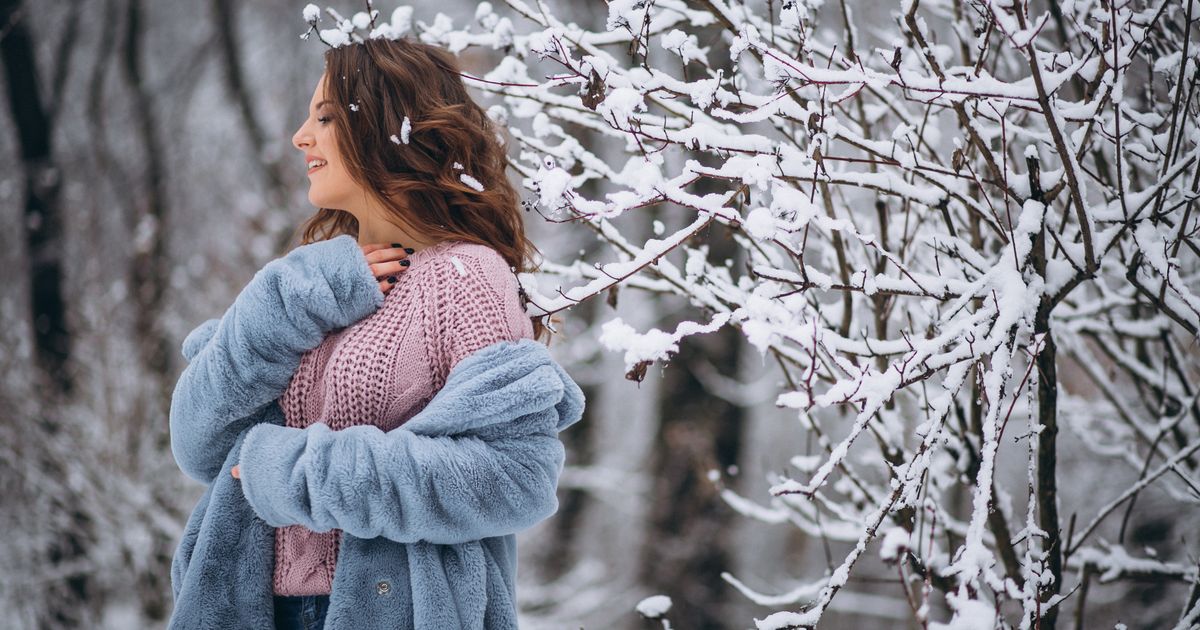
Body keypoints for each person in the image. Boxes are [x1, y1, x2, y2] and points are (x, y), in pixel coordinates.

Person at [165, 33, 585, 630]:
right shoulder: (311, 288)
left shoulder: (464, 277)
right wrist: (276, 300)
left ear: (387, 126)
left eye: (326, 117)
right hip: (247, 607)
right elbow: (197, 443)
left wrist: (305, 474)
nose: (300, 136)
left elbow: (515, 477)